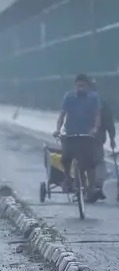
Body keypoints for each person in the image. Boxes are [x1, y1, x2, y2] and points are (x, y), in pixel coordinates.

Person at [53, 74, 101, 202]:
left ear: (87, 86)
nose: (81, 87)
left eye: (83, 85)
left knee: (89, 163)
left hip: (87, 135)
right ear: (75, 85)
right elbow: (62, 115)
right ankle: (67, 177)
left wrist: (95, 129)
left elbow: (97, 115)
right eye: (78, 85)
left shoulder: (93, 98)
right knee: (66, 158)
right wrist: (58, 130)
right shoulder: (68, 97)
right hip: (70, 134)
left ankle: (90, 189)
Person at [88, 78, 115, 199]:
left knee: (96, 160)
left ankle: (95, 185)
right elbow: (109, 122)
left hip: (94, 138)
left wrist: (112, 138)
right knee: (97, 161)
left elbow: (108, 122)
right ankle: (96, 185)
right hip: (91, 137)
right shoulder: (101, 102)